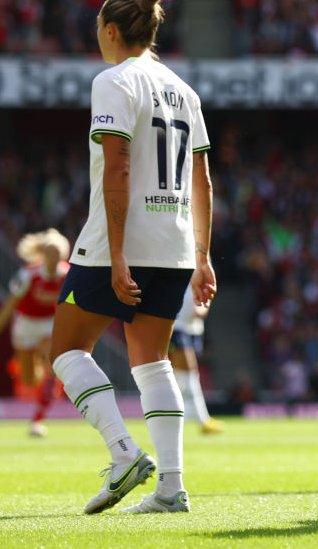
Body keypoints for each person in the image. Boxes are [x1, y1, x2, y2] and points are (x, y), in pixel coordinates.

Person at [49, 0, 215, 514]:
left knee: (67, 350)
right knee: (152, 361)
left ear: (112, 29)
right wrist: (204, 257)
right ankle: (171, 487)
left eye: (98, 26)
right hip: (175, 242)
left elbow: (117, 165)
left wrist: (117, 254)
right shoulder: (183, 89)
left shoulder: (114, 81)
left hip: (118, 243)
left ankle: (124, 454)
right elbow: (202, 179)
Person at [0, 229, 70, 437]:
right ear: (43, 253)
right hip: (26, 324)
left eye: (57, 253)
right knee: (29, 379)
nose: (53, 257)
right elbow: (11, 303)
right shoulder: (28, 274)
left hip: (49, 323)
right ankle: (37, 369)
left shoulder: (67, 275)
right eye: (49, 252)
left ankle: (38, 419)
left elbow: (72, 302)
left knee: (53, 366)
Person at [169, 286, 223, 434]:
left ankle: (177, 415)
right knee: (188, 372)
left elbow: (207, 291)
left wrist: (204, 306)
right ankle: (202, 419)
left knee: (181, 374)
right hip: (177, 325)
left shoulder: (199, 265)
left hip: (192, 328)